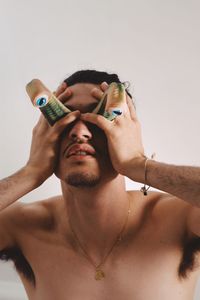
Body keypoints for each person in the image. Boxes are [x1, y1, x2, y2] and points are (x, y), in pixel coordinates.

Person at [0, 69, 200, 300]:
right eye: (62, 120)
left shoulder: (180, 220)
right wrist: (30, 173)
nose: (79, 132)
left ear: (128, 133)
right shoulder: (22, 227)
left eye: (99, 118)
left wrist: (138, 164)